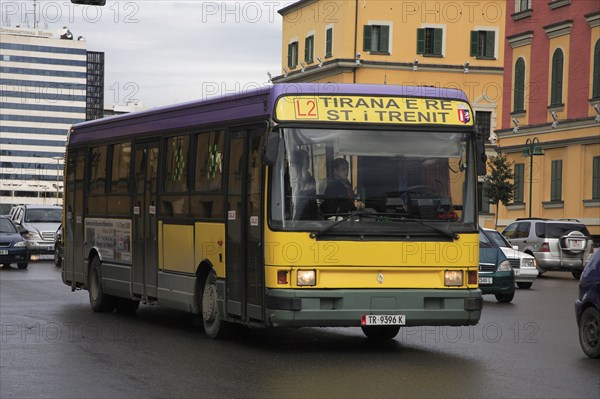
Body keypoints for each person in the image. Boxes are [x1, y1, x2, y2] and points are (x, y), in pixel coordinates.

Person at [290, 149, 318, 220]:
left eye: (308, 160)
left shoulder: (310, 179)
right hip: (294, 217)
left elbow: (312, 201)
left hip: (309, 217)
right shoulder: (289, 179)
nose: (308, 163)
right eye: (306, 161)